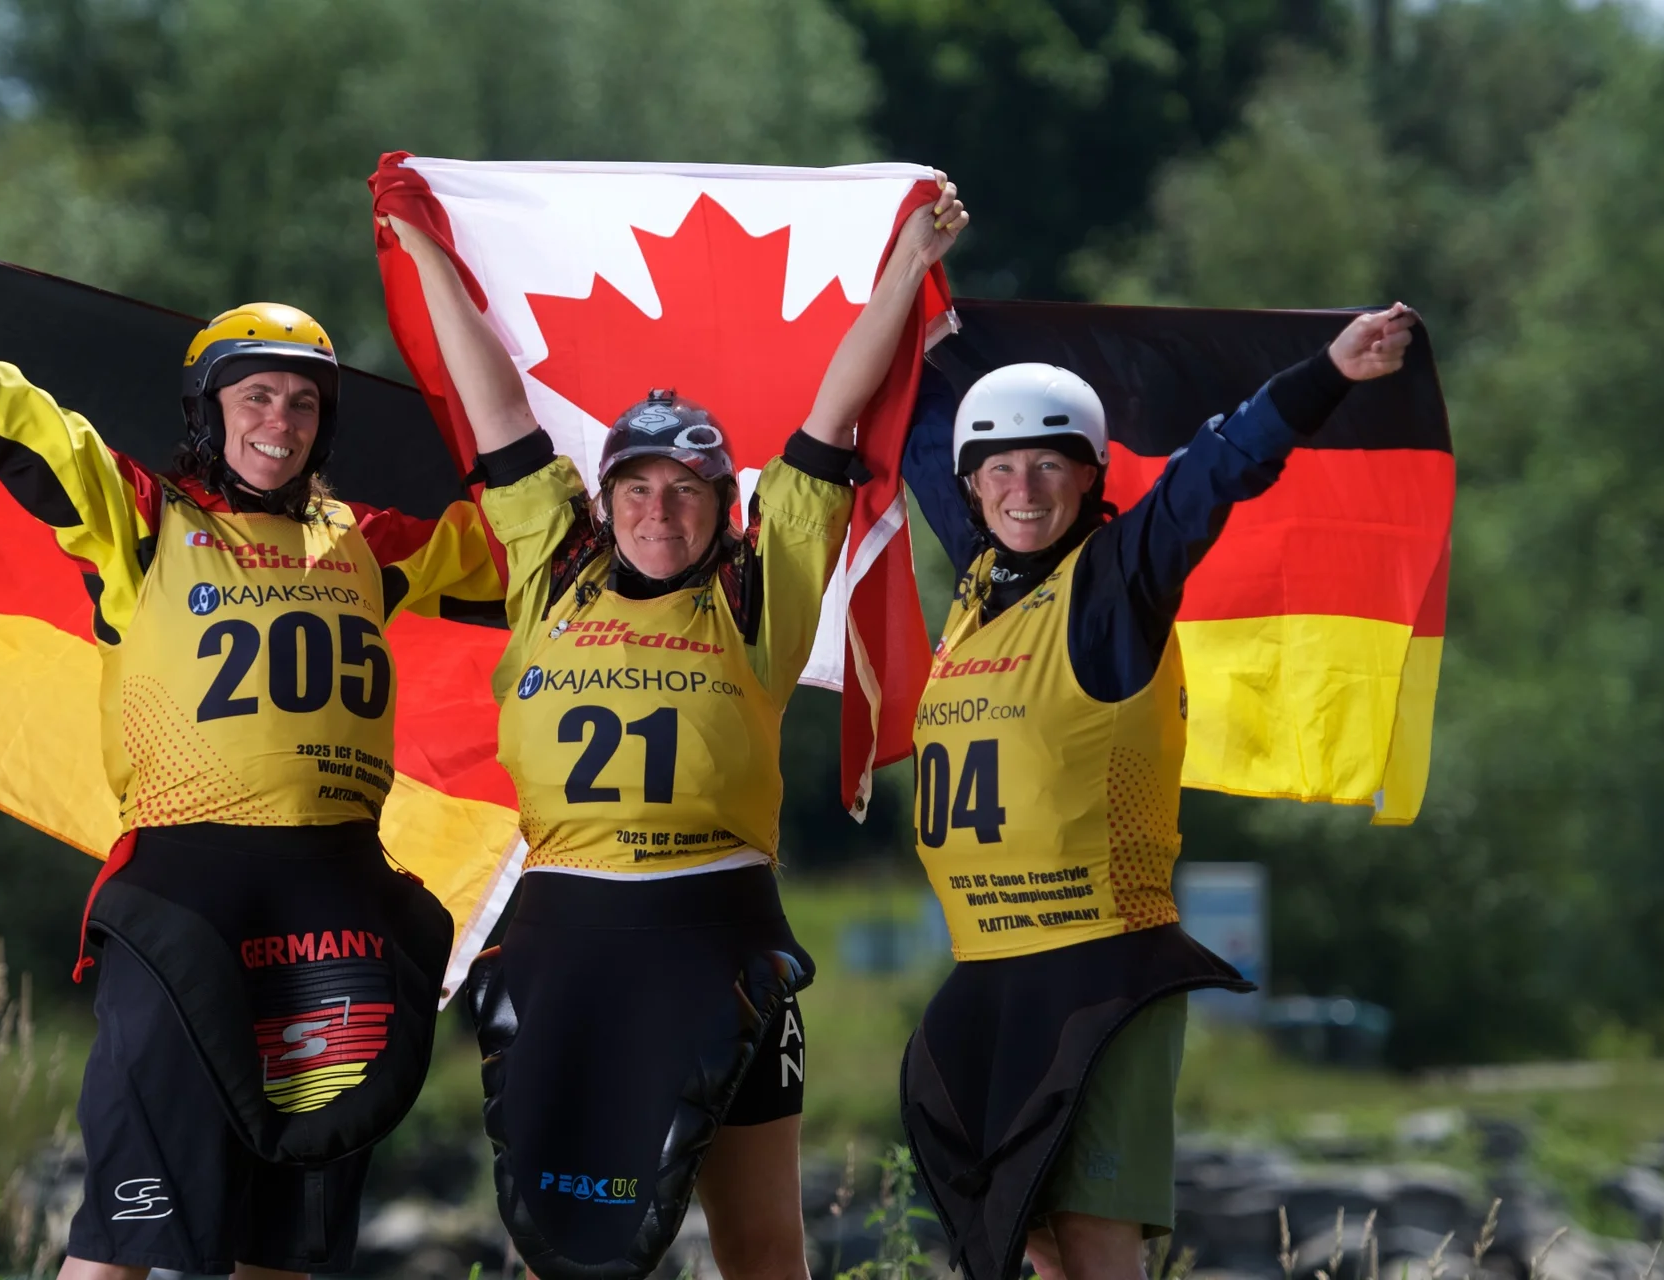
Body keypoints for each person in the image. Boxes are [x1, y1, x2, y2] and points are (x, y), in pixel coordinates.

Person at [0, 192, 503, 1278]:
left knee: (292, 1240)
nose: (280, 420)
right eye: (256, 395)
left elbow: (534, 532)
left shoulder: (378, 542)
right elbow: (13, 413)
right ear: (208, 409)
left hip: (338, 899)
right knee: (124, 1234)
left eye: (304, 402)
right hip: (186, 895)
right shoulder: (144, 516)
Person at [383, 177, 967, 1280]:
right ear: (602, 502)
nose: (661, 509)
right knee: (572, 1243)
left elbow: (832, 418)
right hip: (569, 933)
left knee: (760, 1242)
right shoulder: (551, 569)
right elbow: (500, 411)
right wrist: (422, 250)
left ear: (725, 504)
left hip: (720, 930)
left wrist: (900, 272)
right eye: (637, 488)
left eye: (688, 489)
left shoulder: (761, 590)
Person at [897, 305, 1419, 1280]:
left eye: (1051, 464)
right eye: (1001, 468)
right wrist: (903, 294)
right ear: (970, 488)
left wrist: (1329, 373)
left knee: (1094, 1236)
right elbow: (927, 431)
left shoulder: (1116, 579)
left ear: (1091, 477)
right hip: (995, 970)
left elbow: (1220, 469)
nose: (1024, 487)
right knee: (1036, 1235)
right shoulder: (978, 577)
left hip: (1102, 968)